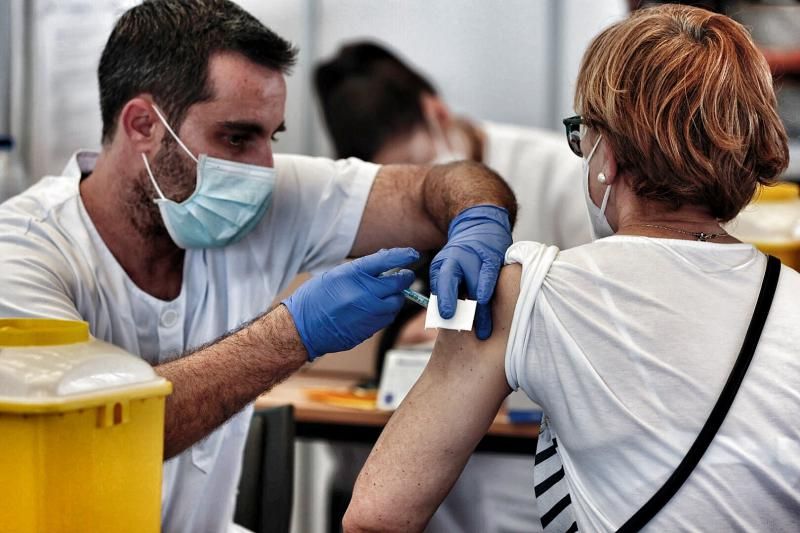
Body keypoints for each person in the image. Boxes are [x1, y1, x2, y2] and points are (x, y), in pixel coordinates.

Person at [0, 2, 518, 532]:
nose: (263, 168)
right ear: (141, 125)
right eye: (237, 137)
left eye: (273, 137)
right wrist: (293, 333)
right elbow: (97, 430)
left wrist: (478, 217)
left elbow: (435, 186)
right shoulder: (22, 251)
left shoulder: (259, 198)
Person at [344, 5, 800, 532]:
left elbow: (376, 517)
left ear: (606, 155)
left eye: (583, 133)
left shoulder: (525, 292)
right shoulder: (791, 303)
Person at [314, 41, 591, 533]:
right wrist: (403, 337)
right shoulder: (383, 201)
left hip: (534, 466)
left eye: (422, 175)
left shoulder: (563, 175)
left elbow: (597, 319)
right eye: (402, 185)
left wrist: (514, 330)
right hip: (429, 475)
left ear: (437, 113)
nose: (422, 195)